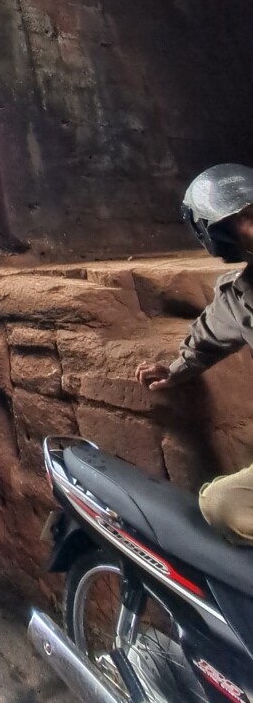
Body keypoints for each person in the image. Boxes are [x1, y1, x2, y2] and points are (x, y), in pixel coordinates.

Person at [136, 163, 253, 544]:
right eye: (245, 219)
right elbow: (205, 339)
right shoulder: (239, 297)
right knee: (221, 504)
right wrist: (174, 371)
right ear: (224, 236)